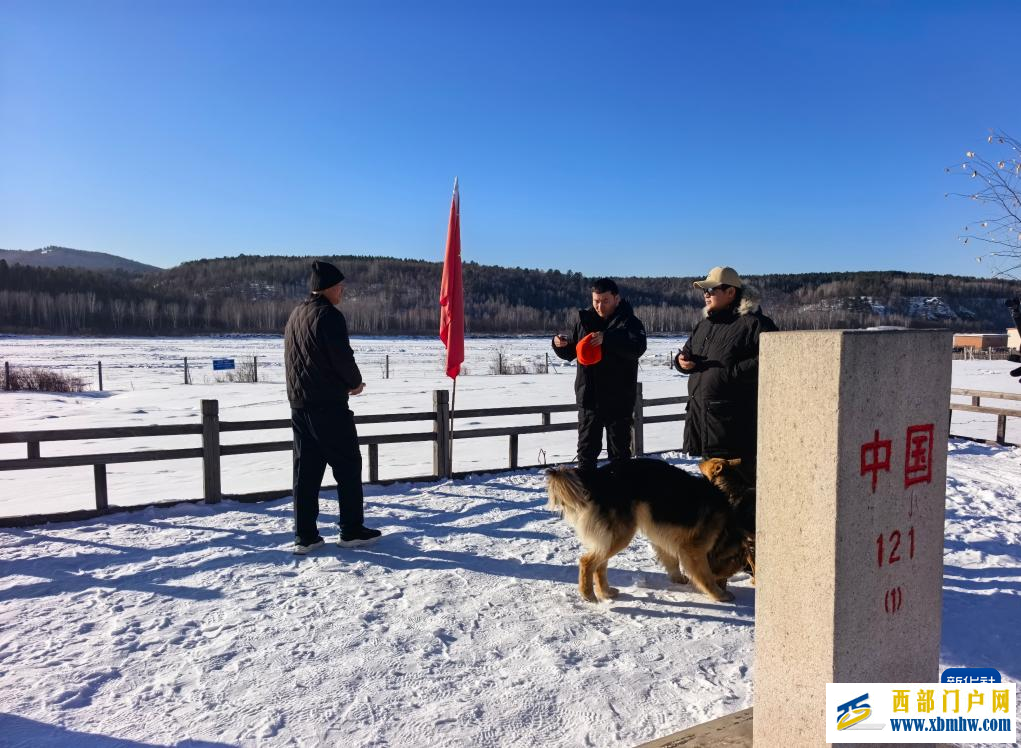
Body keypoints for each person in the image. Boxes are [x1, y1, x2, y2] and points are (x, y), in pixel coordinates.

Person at [284, 260, 380, 554]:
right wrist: (355, 383)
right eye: (339, 286)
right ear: (327, 288)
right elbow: (341, 356)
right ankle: (351, 530)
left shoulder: (296, 315)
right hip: (328, 404)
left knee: (306, 473)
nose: (342, 291)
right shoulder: (329, 316)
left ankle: (305, 535)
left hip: (300, 405)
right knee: (348, 466)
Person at [675, 266, 777, 482]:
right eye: (704, 290)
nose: (706, 294)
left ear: (730, 292)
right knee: (712, 489)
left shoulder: (754, 324)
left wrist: (731, 373)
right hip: (702, 418)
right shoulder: (704, 325)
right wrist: (681, 362)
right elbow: (687, 352)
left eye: (711, 290)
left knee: (739, 487)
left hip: (732, 424)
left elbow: (774, 357)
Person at [551, 278, 648, 473]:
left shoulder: (630, 322)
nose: (599, 306)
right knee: (586, 454)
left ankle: (619, 491)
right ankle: (587, 490)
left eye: (605, 301)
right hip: (589, 397)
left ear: (616, 299)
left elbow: (637, 347)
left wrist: (607, 339)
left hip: (618, 400)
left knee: (619, 456)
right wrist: (558, 344)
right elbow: (572, 352)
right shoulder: (584, 321)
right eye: (596, 301)